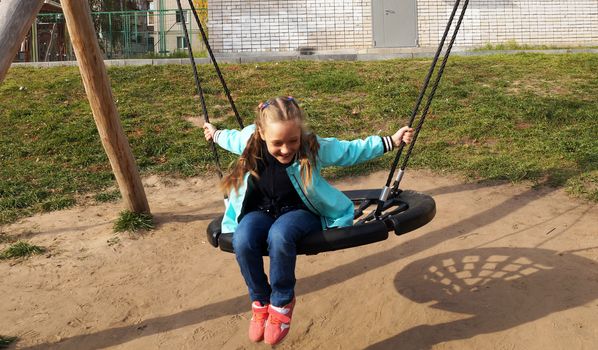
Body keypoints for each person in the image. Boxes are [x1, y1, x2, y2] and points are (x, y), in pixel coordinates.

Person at [203, 96, 414, 345]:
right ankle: (260, 301)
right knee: (243, 238)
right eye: (277, 143)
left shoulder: (310, 146)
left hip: (301, 212)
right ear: (261, 133)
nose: (286, 149)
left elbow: (348, 150)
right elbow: (229, 138)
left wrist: (390, 141)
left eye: (292, 140)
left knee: (280, 235)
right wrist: (214, 133)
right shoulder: (249, 140)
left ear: (300, 133)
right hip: (260, 211)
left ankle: (281, 303)